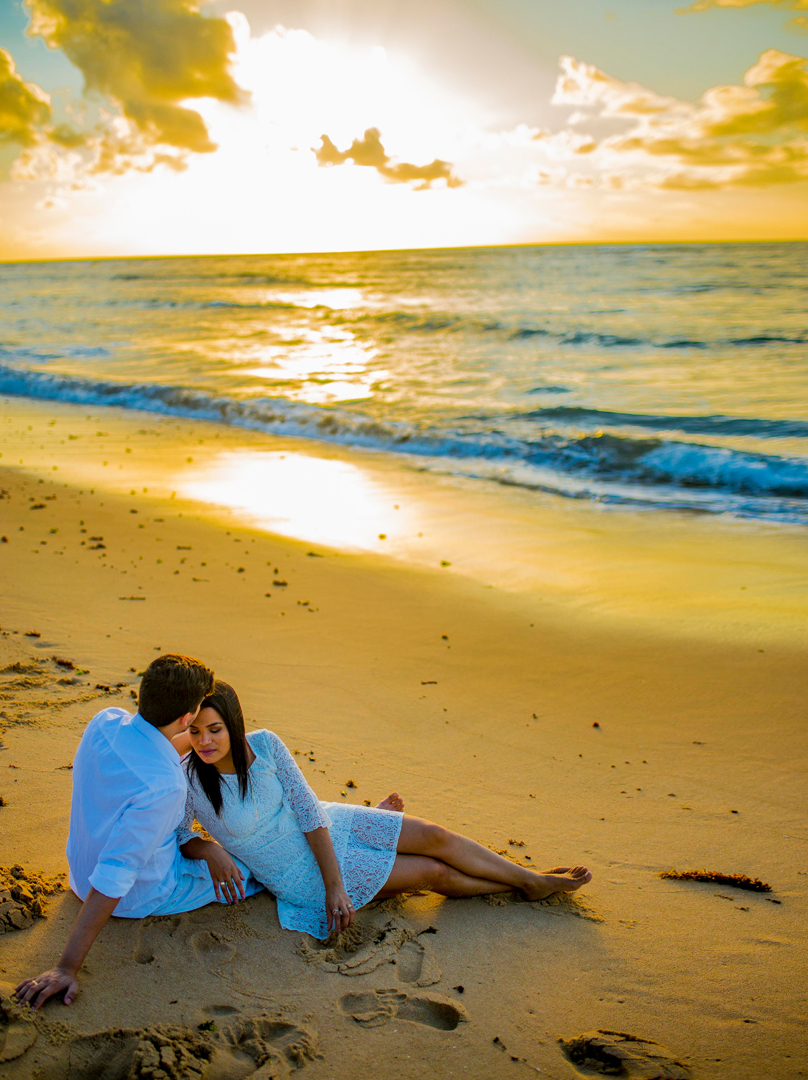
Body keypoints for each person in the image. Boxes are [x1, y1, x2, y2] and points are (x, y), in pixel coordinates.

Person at [178, 680, 592, 939]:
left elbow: (308, 812)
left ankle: (529, 879)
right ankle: (522, 886)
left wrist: (338, 881)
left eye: (215, 730)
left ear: (233, 724)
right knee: (433, 873)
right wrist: (209, 849)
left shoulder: (265, 744)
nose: (205, 741)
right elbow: (181, 834)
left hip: (329, 826)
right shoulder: (190, 778)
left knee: (436, 837)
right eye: (195, 731)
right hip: (298, 875)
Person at [13, 655, 262, 1012]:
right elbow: (117, 874)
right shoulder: (163, 786)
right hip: (142, 895)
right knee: (253, 861)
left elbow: (150, 747)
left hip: (80, 874)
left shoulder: (104, 722)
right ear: (187, 719)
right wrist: (66, 966)